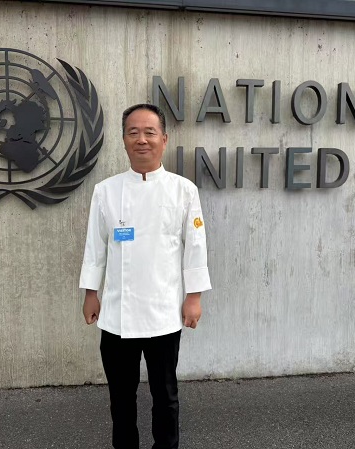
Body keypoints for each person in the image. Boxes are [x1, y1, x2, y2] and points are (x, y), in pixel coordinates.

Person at [79, 103, 212, 449]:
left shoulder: (184, 190)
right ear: (124, 140)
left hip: (163, 311)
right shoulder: (106, 191)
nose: (142, 139)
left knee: (165, 395)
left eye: (149, 132)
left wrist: (194, 297)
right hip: (117, 313)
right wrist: (91, 292)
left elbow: (195, 246)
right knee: (121, 397)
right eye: (133, 132)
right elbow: (96, 245)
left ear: (163, 139)